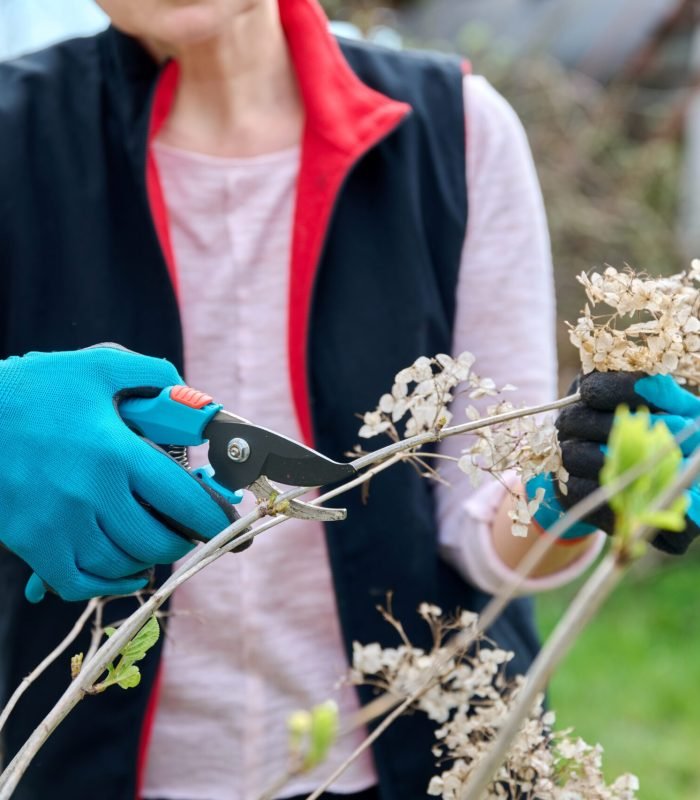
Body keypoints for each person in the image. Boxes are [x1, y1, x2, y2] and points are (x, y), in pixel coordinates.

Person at [0, 1, 697, 798]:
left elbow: (478, 529)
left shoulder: (457, 132)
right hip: (70, 762)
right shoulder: (12, 133)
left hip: (418, 764)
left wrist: (576, 490)